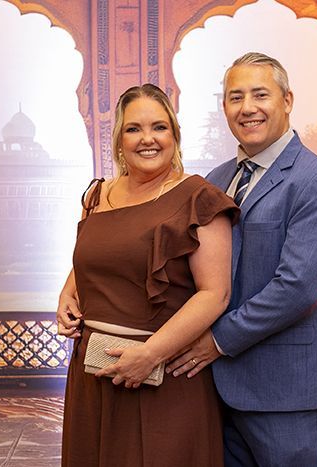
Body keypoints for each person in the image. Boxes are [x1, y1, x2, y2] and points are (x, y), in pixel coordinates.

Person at [166, 52, 317, 466]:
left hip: (288, 392)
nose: (247, 107)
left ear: (287, 100)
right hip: (216, 390)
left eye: (260, 95)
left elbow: (297, 288)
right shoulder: (215, 180)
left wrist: (217, 341)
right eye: (235, 97)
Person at [56, 83, 239, 466]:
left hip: (164, 378)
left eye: (159, 127)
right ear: (119, 140)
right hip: (93, 376)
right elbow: (99, 254)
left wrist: (149, 355)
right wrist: (68, 291)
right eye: (133, 129)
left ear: (174, 135)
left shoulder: (200, 198)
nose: (147, 139)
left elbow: (215, 294)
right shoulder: (97, 195)